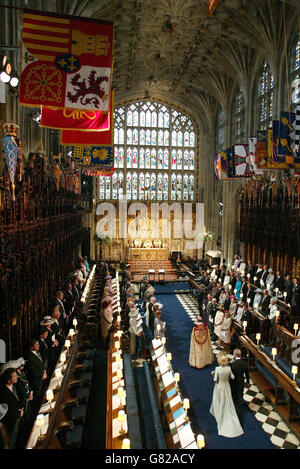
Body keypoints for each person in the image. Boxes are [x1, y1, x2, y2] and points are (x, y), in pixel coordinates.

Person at [210, 353, 244, 438]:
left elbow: (215, 380)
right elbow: (232, 377)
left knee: (219, 400)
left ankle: (220, 414)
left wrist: (214, 374)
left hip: (219, 387)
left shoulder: (217, 369)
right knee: (228, 402)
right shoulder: (228, 368)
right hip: (227, 387)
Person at [0, 368, 24, 448]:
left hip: (18, 415)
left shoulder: (13, 385)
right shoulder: (4, 393)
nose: (17, 377)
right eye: (14, 376)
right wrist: (18, 414)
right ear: (9, 381)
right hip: (12, 422)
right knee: (12, 441)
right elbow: (7, 411)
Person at [229, 349, 250, 415]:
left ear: (235, 355)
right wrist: (248, 382)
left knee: (233, 395)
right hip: (241, 382)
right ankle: (237, 407)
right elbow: (247, 374)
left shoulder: (232, 364)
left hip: (233, 382)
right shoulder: (245, 364)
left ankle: (234, 409)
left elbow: (230, 375)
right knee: (239, 395)